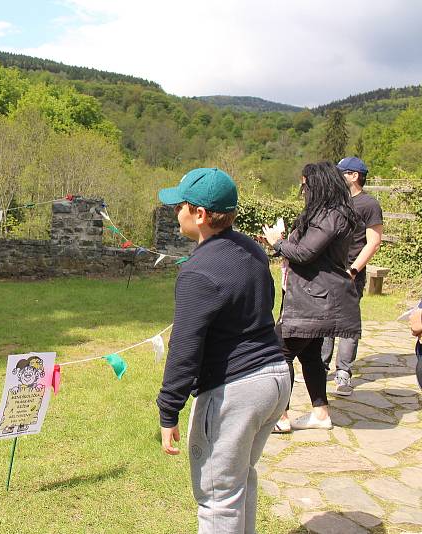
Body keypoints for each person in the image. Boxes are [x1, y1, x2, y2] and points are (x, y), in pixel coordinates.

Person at [156, 168, 290, 534]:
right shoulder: (251, 248)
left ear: (199, 214)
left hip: (238, 390)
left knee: (217, 497)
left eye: (179, 205)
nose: (175, 213)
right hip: (275, 379)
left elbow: (184, 347)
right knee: (239, 481)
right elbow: (270, 303)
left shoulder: (198, 272)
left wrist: (169, 411)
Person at [263, 162, 361, 432]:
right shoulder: (325, 214)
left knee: (277, 352)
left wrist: (277, 243)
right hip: (310, 295)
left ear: (317, 184)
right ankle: (320, 413)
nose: (302, 189)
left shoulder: (332, 215)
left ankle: (280, 417)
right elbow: (304, 250)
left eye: (304, 184)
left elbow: (306, 253)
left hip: (314, 298)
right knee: (311, 355)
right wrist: (282, 242)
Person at [320, 156, 383, 396]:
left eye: (341, 173)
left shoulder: (369, 204)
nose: (337, 177)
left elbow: (373, 242)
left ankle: (343, 374)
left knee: (346, 325)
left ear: (354, 176)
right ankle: (319, 367)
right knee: (324, 323)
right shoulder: (334, 202)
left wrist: (353, 270)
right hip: (328, 272)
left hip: (351, 275)